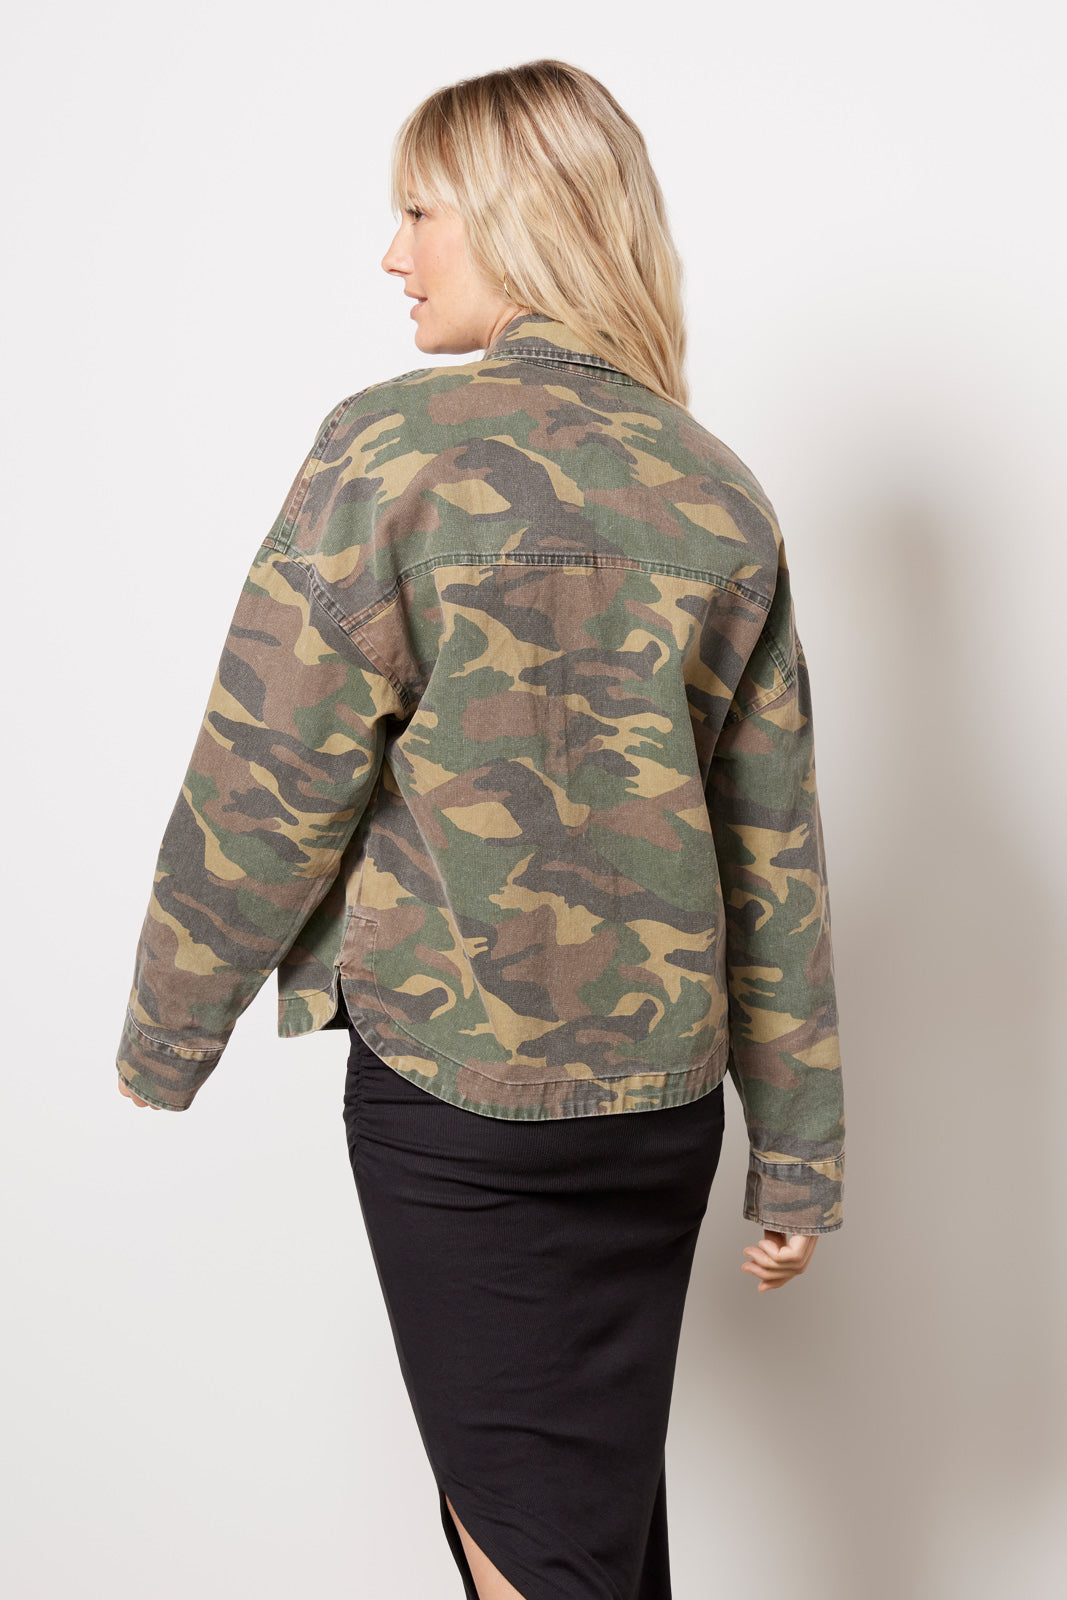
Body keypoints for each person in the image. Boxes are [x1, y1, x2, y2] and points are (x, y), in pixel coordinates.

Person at [116, 59, 845, 1600]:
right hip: (657, 1113)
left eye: (418, 211)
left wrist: (166, 1033)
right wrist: (795, 1155)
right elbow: (773, 859)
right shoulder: (716, 489)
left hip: (462, 1096)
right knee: (587, 1532)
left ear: (516, 219)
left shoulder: (389, 452)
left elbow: (266, 773)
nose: (392, 253)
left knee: (534, 1551)